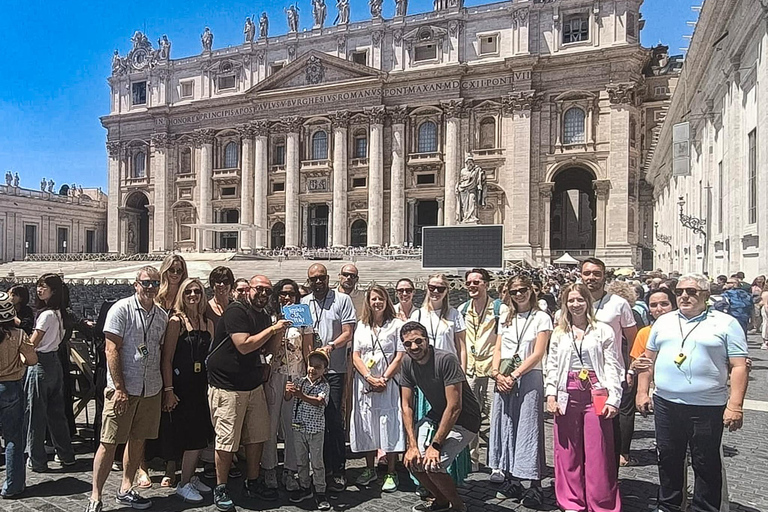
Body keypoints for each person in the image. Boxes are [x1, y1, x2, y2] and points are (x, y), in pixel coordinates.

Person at [637, 273, 749, 512]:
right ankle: (668, 506)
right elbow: (647, 360)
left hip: (707, 406)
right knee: (668, 458)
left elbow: (739, 366)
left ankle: (705, 508)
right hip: (666, 403)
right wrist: (642, 391)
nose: (684, 296)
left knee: (705, 462)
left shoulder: (726, 323)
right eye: (679, 292)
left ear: (705, 295)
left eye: (691, 291)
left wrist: (735, 405)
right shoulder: (663, 322)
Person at [86, 266, 169, 512]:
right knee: (109, 441)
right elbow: (111, 349)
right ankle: (95, 496)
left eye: (155, 283)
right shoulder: (121, 309)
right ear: (136, 284)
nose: (151, 288)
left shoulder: (162, 316)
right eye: (146, 283)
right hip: (124, 388)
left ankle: (126, 488)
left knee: (138, 440)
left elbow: (158, 351)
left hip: (150, 388)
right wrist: (119, 388)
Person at [208, 274, 288, 511]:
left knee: (257, 435)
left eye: (267, 291)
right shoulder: (236, 311)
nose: (263, 294)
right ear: (248, 290)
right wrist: (272, 329)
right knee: (227, 439)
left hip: (252, 384)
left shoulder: (263, 316)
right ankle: (221, 487)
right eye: (259, 289)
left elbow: (268, 349)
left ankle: (252, 481)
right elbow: (243, 345)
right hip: (227, 386)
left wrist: (279, 331)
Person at [545, 283, 622, 512]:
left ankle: (602, 504)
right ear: (564, 304)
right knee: (567, 451)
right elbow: (552, 364)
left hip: (595, 391)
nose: (575, 304)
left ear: (588, 302)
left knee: (599, 451)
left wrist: (614, 398)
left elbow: (612, 365)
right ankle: (571, 501)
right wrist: (550, 394)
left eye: (580, 300)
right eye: (571, 300)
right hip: (566, 391)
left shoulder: (603, 330)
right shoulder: (559, 332)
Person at [400, 321, 481, 512]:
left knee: (433, 465)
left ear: (427, 340)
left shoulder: (446, 360)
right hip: (437, 414)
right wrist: (412, 445)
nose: (414, 347)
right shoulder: (406, 362)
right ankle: (441, 501)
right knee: (413, 461)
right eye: (408, 344)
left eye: (418, 341)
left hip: (466, 420)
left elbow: (455, 407)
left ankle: (458, 506)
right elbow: (406, 405)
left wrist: (435, 445)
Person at [488, 276, 551, 506]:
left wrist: (514, 375)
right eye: (514, 291)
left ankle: (535, 484)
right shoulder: (505, 316)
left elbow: (538, 353)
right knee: (505, 425)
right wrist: (496, 373)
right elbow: (498, 347)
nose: (518, 294)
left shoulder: (542, 317)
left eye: (522, 290)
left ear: (531, 291)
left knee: (528, 427)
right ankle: (512, 478)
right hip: (504, 376)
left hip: (528, 376)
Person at [410, 273, 470, 488]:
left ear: (447, 291)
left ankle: (449, 475)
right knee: (425, 427)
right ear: (427, 288)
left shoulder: (454, 314)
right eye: (432, 287)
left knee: (450, 425)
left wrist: (462, 373)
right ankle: (425, 479)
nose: (435, 292)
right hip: (425, 378)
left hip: (449, 378)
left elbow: (461, 346)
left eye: (440, 288)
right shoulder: (418, 314)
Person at [301, 263, 356, 492]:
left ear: (328, 278)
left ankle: (338, 469)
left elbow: (348, 332)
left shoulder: (343, 300)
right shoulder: (304, 303)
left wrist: (330, 346)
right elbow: (303, 333)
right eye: (313, 278)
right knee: (315, 420)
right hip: (312, 371)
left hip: (334, 370)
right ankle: (320, 468)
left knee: (333, 420)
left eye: (321, 277)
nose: (318, 282)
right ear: (309, 281)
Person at [160, 278, 215, 503]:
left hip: (201, 385)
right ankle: (183, 483)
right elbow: (167, 358)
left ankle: (190, 477)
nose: (193, 295)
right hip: (182, 386)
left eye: (197, 291)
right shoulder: (176, 322)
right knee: (190, 436)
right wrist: (169, 389)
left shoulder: (207, 323)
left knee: (201, 433)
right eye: (188, 292)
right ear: (182, 295)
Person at [579, 258, 637, 470]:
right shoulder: (575, 301)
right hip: (580, 375)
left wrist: (631, 369)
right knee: (582, 428)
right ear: (581, 276)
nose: (591, 277)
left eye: (596, 273)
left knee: (610, 426)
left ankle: (609, 475)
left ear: (604, 276)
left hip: (610, 375)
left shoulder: (619, 303)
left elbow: (632, 339)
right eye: (587, 273)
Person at [350, 285, 406, 492]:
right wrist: (369, 377)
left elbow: (399, 356)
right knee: (368, 424)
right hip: (365, 383)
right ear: (368, 302)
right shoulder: (362, 325)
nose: (377, 302)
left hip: (388, 382)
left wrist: (383, 379)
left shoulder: (397, 325)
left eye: (381, 298)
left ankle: (391, 470)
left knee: (388, 424)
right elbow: (356, 355)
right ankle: (369, 468)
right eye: (373, 299)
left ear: (387, 301)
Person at [140, 253, 188, 488]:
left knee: (173, 418)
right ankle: (141, 465)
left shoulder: (188, 296)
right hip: (151, 363)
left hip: (178, 364)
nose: (176, 274)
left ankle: (171, 464)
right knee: (146, 416)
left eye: (179, 270)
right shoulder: (155, 297)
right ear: (164, 272)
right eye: (172, 270)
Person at [262, 279, 313, 492]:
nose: (287, 298)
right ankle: (269, 467)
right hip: (275, 375)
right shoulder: (270, 317)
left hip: (297, 375)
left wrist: (309, 377)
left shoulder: (304, 318)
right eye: (283, 294)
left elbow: (308, 348)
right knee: (271, 424)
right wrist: (280, 327)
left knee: (294, 426)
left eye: (291, 294)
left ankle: (291, 469)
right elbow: (269, 350)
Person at [458, 268, 508, 469]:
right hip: (471, 368)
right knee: (471, 415)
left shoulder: (500, 309)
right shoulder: (462, 310)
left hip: (493, 370)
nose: (472, 286)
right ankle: (472, 460)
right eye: (469, 282)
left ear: (486, 284)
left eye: (476, 282)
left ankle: (497, 463)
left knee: (496, 416)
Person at [25, 273, 76, 472]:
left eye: (44, 287)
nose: (39, 290)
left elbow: (33, 343)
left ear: (53, 291)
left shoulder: (46, 315)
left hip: (41, 363)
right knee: (57, 414)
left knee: (36, 415)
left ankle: (36, 459)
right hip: (55, 363)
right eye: (38, 286)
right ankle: (66, 455)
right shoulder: (60, 313)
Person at [0, 291, 38, 498]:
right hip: (10, 386)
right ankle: (13, 486)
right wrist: (19, 361)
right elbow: (32, 360)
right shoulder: (18, 335)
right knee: (13, 437)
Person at [286, 350, 332, 511]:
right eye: (311, 365)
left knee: (317, 463)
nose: (313, 369)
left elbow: (319, 401)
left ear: (324, 370)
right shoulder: (300, 381)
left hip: (316, 430)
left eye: (318, 367)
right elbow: (287, 398)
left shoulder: (324, 385)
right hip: (298, 427)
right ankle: (305, 487)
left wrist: (301, 395)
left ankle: (320, 491)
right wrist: (288, 390)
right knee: (301, 461)